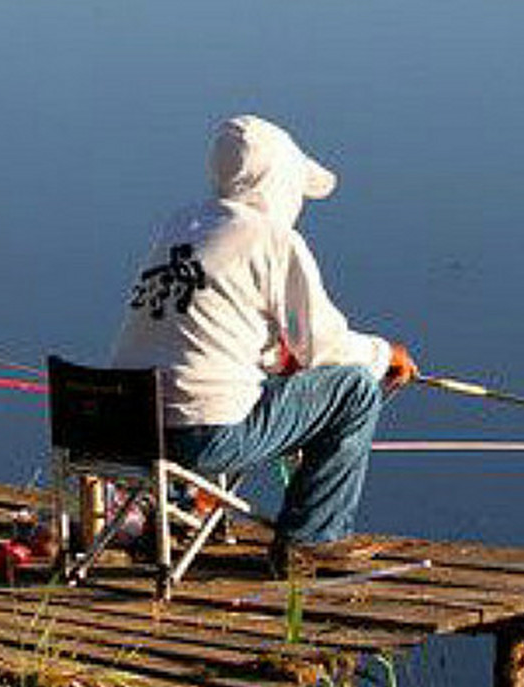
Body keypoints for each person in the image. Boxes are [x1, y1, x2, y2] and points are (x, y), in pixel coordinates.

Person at [109, 114, 417, 577]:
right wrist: (385, 355)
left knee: (243, 385)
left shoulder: (181, 226)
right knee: (353, 388)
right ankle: (313, 539)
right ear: (279, 183)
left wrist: (276, 355)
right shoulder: (273, 239)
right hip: (202, 436)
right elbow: (325, 348)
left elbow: (205, 331)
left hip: (123, 430)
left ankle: (175, 504)